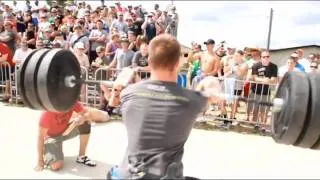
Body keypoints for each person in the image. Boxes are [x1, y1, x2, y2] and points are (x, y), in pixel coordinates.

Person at [104, 34, 221, 179]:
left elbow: (112, 103)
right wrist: (208, 83)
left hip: (128, 175)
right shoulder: (192, 100)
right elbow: (213, 93)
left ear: (149, 61)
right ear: (178, 63)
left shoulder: (128, 93)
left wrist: (116, 91)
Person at [34, 101, 110, 172]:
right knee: (56, 166)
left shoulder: (71, 102)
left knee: (85, 122)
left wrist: (78, 121)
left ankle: (81, 156)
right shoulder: (47, 113)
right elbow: (40, 137)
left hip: (65, 130)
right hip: (51, 137)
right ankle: (48, 150)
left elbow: (87, 114)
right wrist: (40, 161)